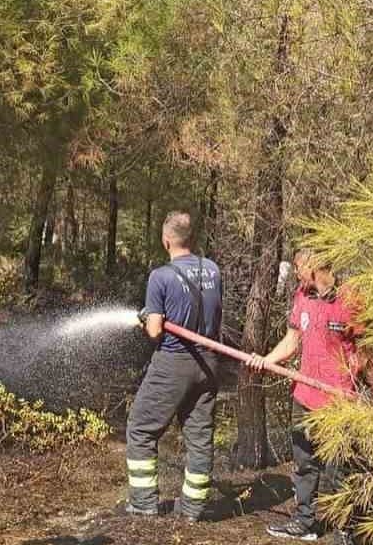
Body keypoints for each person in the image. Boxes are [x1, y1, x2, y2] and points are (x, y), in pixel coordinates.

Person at [248, 252, 373, 542]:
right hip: (304, 395)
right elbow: (292, 339)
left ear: (314, 268)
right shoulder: (302, 295)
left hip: (339, 401)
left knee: (339, 470)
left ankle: (345, 530)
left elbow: (365, 352)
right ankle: (304, 521)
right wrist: (267, 360)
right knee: (304, 464)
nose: (297, 274)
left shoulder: (350, 299)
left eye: (299, 268)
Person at [125, 211, 224, 521]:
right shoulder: (212, 270)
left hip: (173, 361)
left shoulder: (161, 276)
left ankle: (143, 503)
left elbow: (155, 331)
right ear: (191, 239)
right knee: (199, 437)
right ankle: (193, 508)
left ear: (166, 240)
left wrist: (146, 318)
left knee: (141, 428)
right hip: (207, 362)